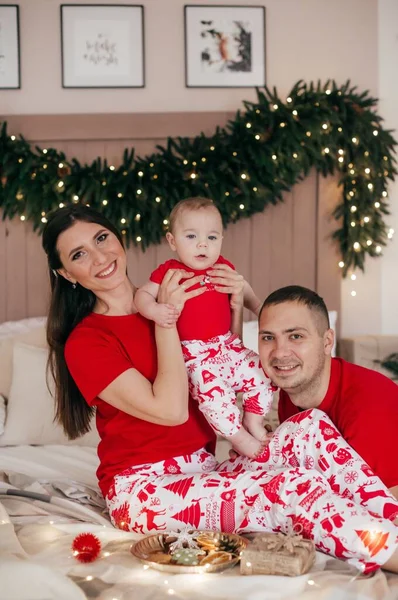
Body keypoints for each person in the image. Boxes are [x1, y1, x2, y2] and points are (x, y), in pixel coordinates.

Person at [42, 204, 398, 575]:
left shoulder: (177, 286)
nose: (100, 257)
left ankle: (392, 521)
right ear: (67, 272)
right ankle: (390, 552)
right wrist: (167, 318)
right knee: (285, 487)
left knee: (311, 427)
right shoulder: (88, 341)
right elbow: (172, 410)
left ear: (118, 238)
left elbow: (219, 360)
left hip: (206, 468)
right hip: (146, 492)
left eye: (102, 238)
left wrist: (235, 302)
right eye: (79, 254)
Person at [135, 197, 274, 459]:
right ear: (172, 241)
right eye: (191, 236)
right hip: (195, 355)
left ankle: (253, 421)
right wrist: (155, 310)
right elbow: (141, 295)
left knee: (261, 372)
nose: (203, 244)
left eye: (212, 237)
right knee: (215, 399)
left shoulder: (223, 267)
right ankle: (240, 439)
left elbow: (242, 289)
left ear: (221, 239)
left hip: (227, 345)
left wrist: (258, 307)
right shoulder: (169, 272)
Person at [258, 285, 398, 499]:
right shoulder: (292, 392)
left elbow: (389, 509)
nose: (280, 353)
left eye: (295, 336)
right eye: (268, 337)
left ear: (327, 341)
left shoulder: (367, 407)